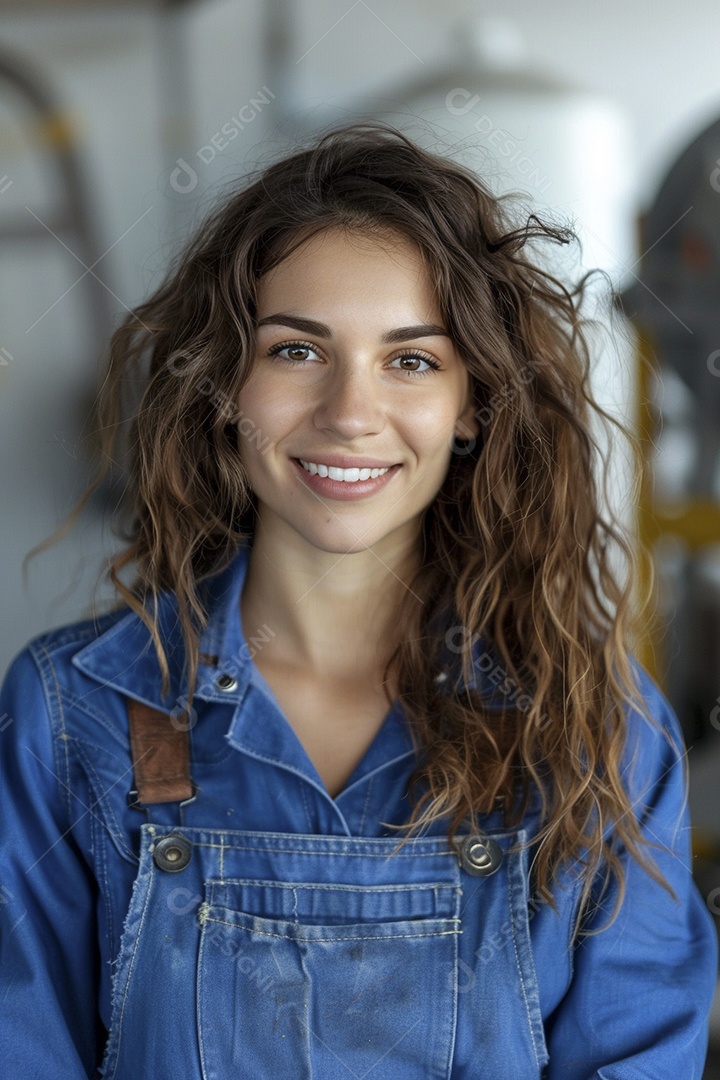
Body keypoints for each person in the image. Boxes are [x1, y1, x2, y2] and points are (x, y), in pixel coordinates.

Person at [0, 120, 716, 1079]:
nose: (348, 413)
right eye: (298, 352)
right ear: (226, 382)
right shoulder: (68, 711)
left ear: (473, 405)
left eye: (411, 360)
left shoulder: (597, 730)